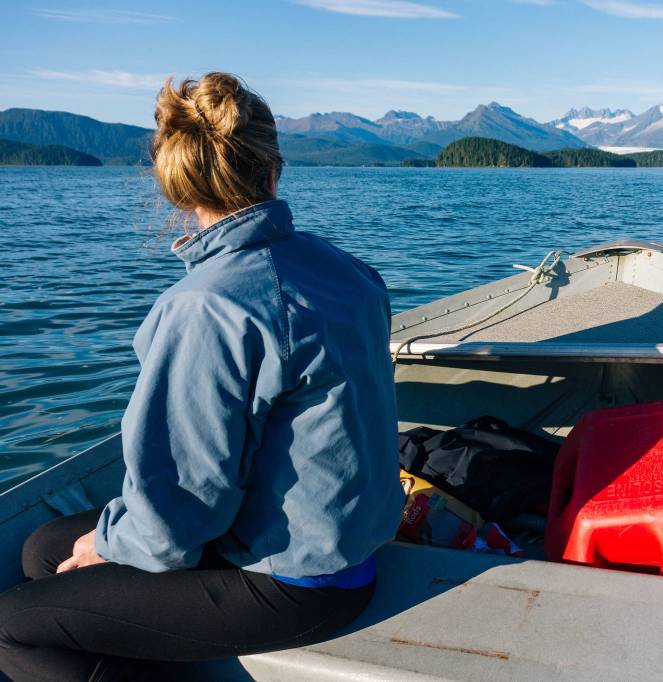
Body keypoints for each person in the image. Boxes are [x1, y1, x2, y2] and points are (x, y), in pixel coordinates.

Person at [0, 72, 404, 681]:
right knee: (43, 549)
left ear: (179, 186)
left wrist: (107, 546)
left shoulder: (206, 305)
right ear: (274, 171)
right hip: (346, 549)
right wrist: (103, 544)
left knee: (10, 625)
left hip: (295, 582)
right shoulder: (345, 269)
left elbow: (180, 513)